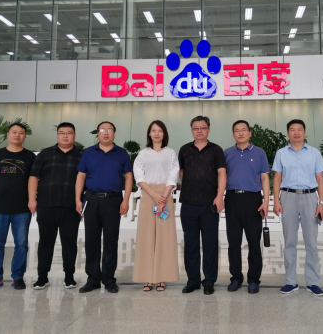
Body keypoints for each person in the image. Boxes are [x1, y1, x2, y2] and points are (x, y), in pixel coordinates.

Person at [75, 121, 133, 294]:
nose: (106, 132)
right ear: (98, 133)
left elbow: (128, 177)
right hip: (92, 199)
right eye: (102, 130)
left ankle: (109, 279)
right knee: (91, 240)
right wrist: (78, 199)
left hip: (113, 200)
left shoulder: (121, 153)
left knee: (111, 240)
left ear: (114, 133)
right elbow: (81, 176)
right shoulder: (89, 152)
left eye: (109, 130)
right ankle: (92, 279)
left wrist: (126, 200)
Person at [273, 119, 323, 297]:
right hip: (287, 197)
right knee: (289, 241)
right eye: (292, 129)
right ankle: (290, 282)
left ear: (304, 132)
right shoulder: (281, 153)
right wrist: (276, 202)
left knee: (311, 241)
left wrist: (321, 203)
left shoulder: (314, 153)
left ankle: (313, 282)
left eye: (299, 129)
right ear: (287, 133)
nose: (296, 132)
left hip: (310, 197)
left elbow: (320, 179)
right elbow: (277, 179)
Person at [0, 123, 36, 291]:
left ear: (25, 136)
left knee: (21, 244)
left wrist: (31, 200)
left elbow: (33, 180)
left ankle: (17, 277)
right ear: (8, 135)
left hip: (22, 208)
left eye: (21, 133)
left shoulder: (30, 156)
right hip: (0, 207)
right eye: (14, 132)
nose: (17, 135)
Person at [28, 122, 83, 290]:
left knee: (70, 243)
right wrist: (32, 199)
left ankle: (69, 277)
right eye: (62, 133)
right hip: (46, 205)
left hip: (71, 207)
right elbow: (33, 177)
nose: (65, 136)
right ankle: (42, 277)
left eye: (69, 133)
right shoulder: (45, 154)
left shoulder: (82, 155)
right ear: (57, 135)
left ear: (74, 135)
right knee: (46, 242)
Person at [179, 116, 227, 296]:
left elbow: (222, 173)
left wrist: (219, 196)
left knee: (210, 244)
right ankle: (192, 280)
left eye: (203, 127)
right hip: (188, 204)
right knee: (190, 243)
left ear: (208, 130)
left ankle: (209, 281)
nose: (199, 131)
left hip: (210, 204)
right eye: (196, 128)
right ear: (191, 130)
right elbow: (182, 173)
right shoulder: (185, 149)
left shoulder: (216, 150)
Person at [133, 120, 180, 292]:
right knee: (146, 236)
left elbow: (174, 174)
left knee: (165, 238)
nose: (157, 133)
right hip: (148, 194)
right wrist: (153, 195)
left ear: (164, 133)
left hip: (165, 194)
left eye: (160, 130)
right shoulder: (143, 154)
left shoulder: (170, 153)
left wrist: (164, 196)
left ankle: (162, 278)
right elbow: (139, 175)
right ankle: (147, 278)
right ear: (149, 133)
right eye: (153, 130)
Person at [224, 120, 270, 295]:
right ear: (233, 134)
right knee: (233, 242)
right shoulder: (227, 153)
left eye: (244, 130)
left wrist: (266, 201)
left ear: (250, 133)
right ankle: (236, 278)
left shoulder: (259, 152)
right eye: (237, 130)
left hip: (253, 199)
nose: (241, 133)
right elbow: (222, 176)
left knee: (254, 242)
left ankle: (253, 279)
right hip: (232, 198)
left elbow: (264, 177)